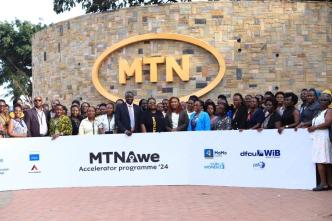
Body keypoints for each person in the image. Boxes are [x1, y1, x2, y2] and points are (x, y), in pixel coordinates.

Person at [308, 92, 332, 191]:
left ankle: (323, 184)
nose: (323, 101)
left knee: (321, 160)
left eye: (325, 99)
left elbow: (328, 123)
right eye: (321, 99)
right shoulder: (318, 112)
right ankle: (329, 183)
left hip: (323, 136)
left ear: (329, 102)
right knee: (325, 160)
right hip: (317, 137)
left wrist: (315, 127)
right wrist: (304, 124)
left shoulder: (329, 111)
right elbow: (313, 122)